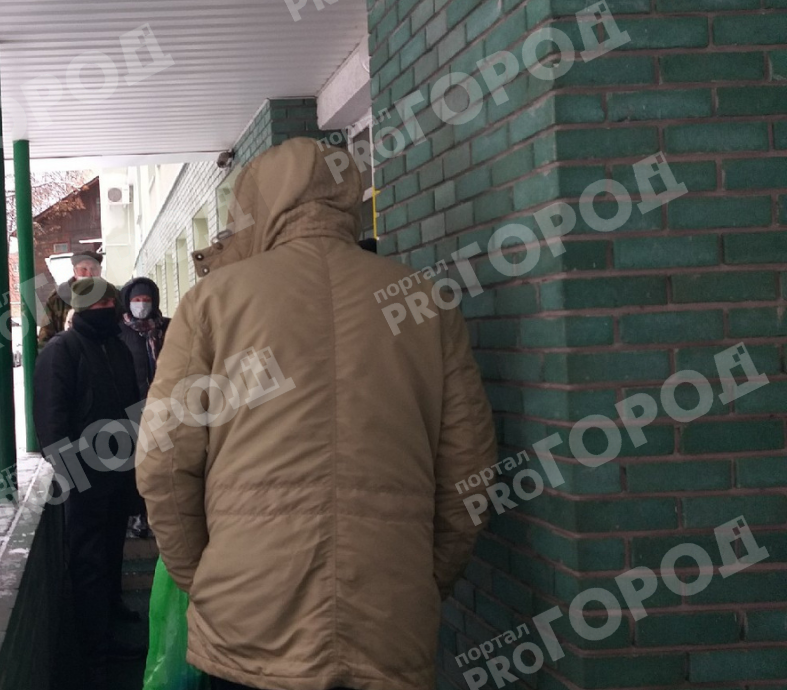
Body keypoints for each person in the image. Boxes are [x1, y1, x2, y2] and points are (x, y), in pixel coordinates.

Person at [136, 138, 497, 690]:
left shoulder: (214, 301)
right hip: (388, 611)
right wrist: (423, 579)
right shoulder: (423, 301)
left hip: (247, 618)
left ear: (254, 206)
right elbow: (470, 468)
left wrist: (202, 577)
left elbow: (163, 462)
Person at [33, 277, 146, 679]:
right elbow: (51, 420)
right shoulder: (61, 351)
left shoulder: (116, 346)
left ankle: (110, 615)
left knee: (111, 551)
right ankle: (94, 648)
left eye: (110, 304)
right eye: (99, 305)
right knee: (89, 561)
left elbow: (130, 406)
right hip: (85, 479)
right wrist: (75, 475)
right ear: (83, 309)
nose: (108, 311)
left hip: (117, 472)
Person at [117, 277, 170, 539]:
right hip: (132, 408)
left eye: (146, 300)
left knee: (163, 461)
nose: (141, 305)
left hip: (166, 407)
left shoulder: (167, 328)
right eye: (136, 300)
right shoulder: (119, 331)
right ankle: (138, 513)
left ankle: (161, 513)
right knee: (135, 463)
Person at [37, 249, 103, 349]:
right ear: (75, 271)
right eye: (83, 269)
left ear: (100, 270)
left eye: (94, 269)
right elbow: (46, 336)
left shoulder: (111, 296)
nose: (89, 274)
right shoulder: (59, 298)